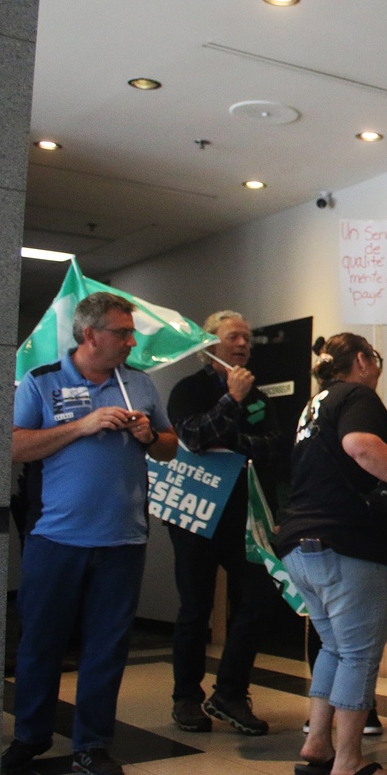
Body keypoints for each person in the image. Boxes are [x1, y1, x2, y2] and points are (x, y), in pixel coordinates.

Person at [4, 293, 179, 775]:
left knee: (107, 646)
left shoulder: (139, 384)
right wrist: (83, 425)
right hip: (55, 537)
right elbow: (14, 446)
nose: (131, 340)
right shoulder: (42, 381)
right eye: (122, 332)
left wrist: (149, 435)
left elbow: (170, 448)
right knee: (41, 642)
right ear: (89, 335)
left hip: (123, 538)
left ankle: (93, 744)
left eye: (131, 332)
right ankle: (30, 736)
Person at [276, 334, 387, 775]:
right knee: (359, 653)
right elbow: (361, 445)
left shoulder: (313, 405)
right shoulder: (357, 394)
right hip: (347, 544)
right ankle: (348, 760)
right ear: (361, 360)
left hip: (300, 545)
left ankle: (317, 744)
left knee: (334, 647)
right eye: (375, 360)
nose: (377, 370)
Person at [166, 310, 284, 736]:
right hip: (195, 515)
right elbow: (194, 438)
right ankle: (186, 698)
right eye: (234, 337)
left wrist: (228, 439)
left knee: (259, 598)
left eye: (247, 338)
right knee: (195, 609)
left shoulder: (260, 396)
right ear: (209, 346)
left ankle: (230, 693)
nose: (243, 345)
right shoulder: (188, 390)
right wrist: (229, 402)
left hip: (242, 517)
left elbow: (272, 448)